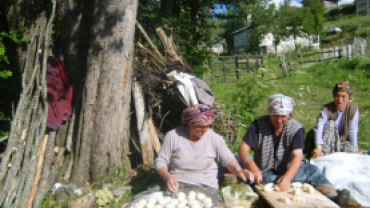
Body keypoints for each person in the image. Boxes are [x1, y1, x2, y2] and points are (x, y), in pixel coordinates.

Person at [238, 94, 350, 206]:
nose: (279, 120)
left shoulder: (296, 128)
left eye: (283, 116)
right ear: (270, 114)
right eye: (275, 116)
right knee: (267, 178)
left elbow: (297, 155)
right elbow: (243, 149)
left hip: (291, 169)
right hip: (266, 170)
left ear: (290, 115)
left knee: (313, 171)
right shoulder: (259, 125)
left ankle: (334, 197)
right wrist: (254, 168)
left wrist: (287, 178)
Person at [155, 104, 253, 193]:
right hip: (178, 185)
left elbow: (228, 160)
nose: (205, 130)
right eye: (201, 126)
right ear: (190, 124)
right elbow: (161, 162)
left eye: (208, 126)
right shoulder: (173, 136)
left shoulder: (214, 138)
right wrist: (167, 177)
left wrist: (239, 171)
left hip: (206, 187)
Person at [311, 81, 359, 158]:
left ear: (349, 98)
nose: (340, 100)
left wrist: (356, 150)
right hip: (327, 143)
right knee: (330, 124)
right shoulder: (327, 109)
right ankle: (324, 156)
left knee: (353, 151)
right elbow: (319, 128)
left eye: (343, 97)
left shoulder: (353, 109)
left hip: (342, 142)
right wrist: (318, 147)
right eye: (337, 96)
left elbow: (353, 131)